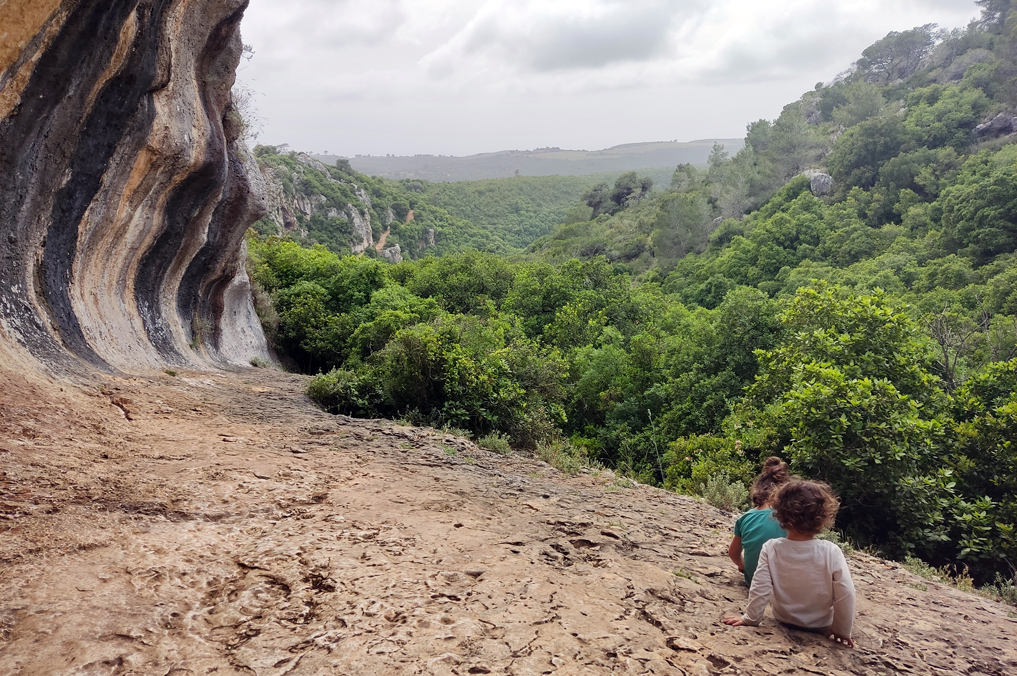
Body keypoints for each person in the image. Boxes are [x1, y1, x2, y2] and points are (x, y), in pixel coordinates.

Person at [723, 480, 856, 648]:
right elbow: (846, 593)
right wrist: (841, 631)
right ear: (823, 519)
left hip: (784, 619)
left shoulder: (771, 548)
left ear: (779, 515)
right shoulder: (831, 551)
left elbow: (760, 587)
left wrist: (750, 618)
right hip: (820, 625)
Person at [728, 457, 790, 585]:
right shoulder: (789, 518)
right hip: (784, 585)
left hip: (755, 581)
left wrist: (744, 565)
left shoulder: (745, 518)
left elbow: (733, 553)